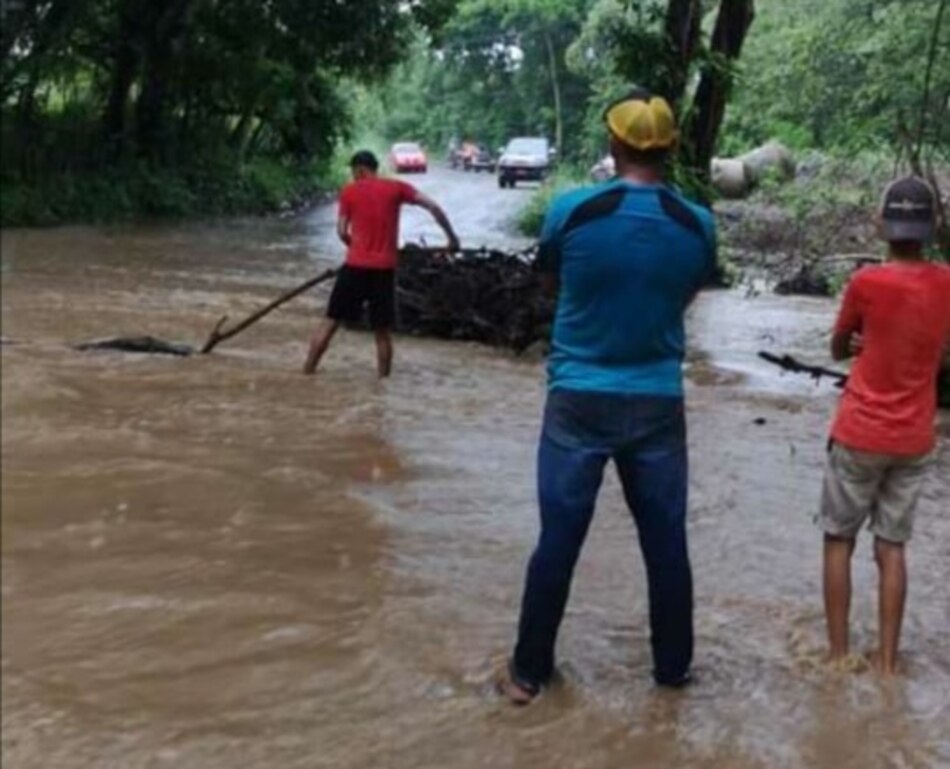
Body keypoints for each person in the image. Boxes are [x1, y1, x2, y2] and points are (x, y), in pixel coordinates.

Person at [500, 88, 717, 704]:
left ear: (614, 143)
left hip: (576, 397)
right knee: (666, 543)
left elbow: (549, 283)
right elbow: (688, 293)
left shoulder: (570, 211)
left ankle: (526, 674)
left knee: (559, 540)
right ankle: (672, 674)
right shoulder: (696, 224)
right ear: (670, 148)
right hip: (657, 401)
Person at [820, 175, 950, 675]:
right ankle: (889, 666)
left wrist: (854, 344)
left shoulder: (865, 283)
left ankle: (836, 657)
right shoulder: (944, 283)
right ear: (932, 227)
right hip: (914, 437)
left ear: (881, 225)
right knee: (892, 547)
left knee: (838, 539)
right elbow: (936, 355)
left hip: (860, 433)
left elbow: (837, 347)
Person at [303, 150, 460, 377]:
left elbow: (341, 231)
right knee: (382, 332)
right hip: (384, 270)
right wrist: (451, 239)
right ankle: (382, 382)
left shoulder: (349, 192)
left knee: (330, 322)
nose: (353, 176)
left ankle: (307, 372)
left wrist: (355, 247)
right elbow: (433, 207)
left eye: (353, 172)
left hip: (355, 267)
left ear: (359, 169)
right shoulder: (397, 188)